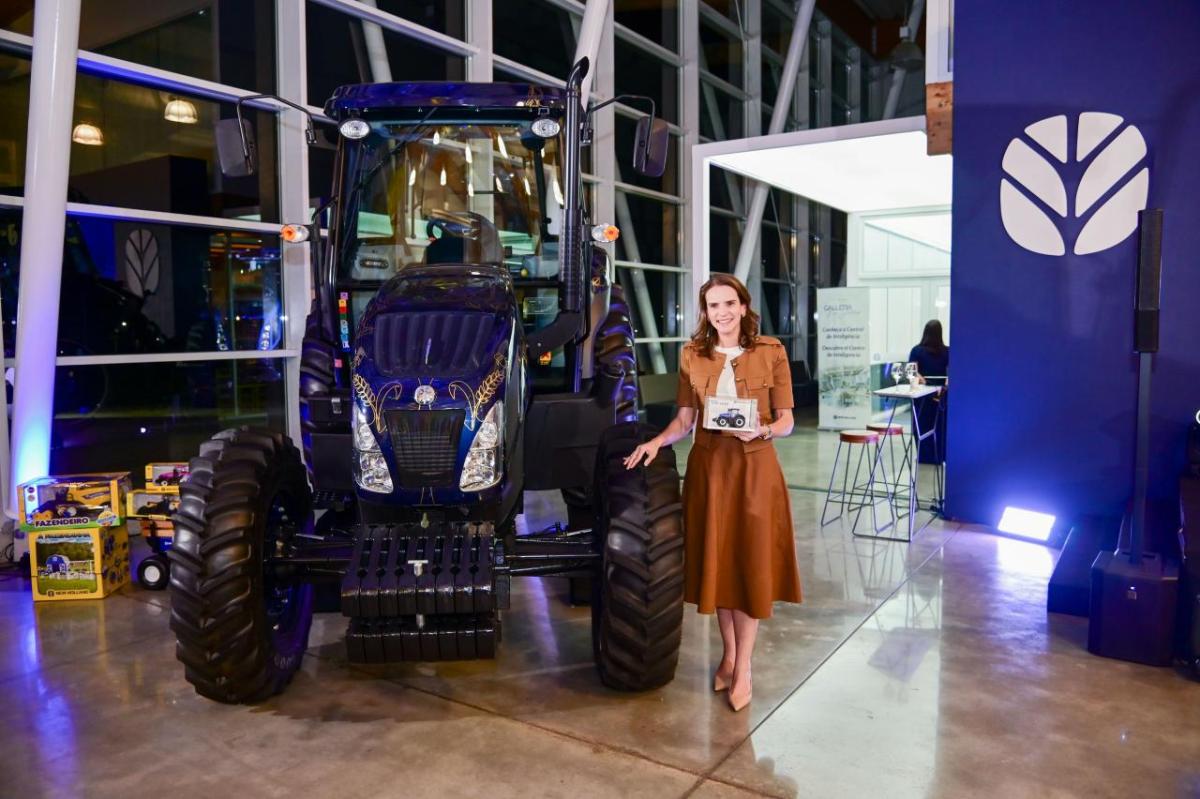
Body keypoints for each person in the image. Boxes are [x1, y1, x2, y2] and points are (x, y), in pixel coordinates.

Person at [624, 273, 802, 712]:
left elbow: (787, 420)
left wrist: (763, 429)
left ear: (743, 307)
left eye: (729, 303)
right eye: (713, 306)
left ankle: (743, 670)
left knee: (750, 566)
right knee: (720, 568)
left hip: (755, 470)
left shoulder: (771, 352)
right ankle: (729, 657)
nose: (721, 312)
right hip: (709, 471)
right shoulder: (691, 356)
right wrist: (655, 441)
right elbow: (685, 420)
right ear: (706, 312)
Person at [908, 319, 949, 464]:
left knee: (921, 425)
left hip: (922, 395)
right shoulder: (947, 351)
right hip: (941, 396)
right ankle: (940, 456)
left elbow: (912, 373)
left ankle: (924, 456)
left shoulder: (916, 350)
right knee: (939, 426)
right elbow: (950, 374)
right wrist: (943, 388)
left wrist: (925, 382)